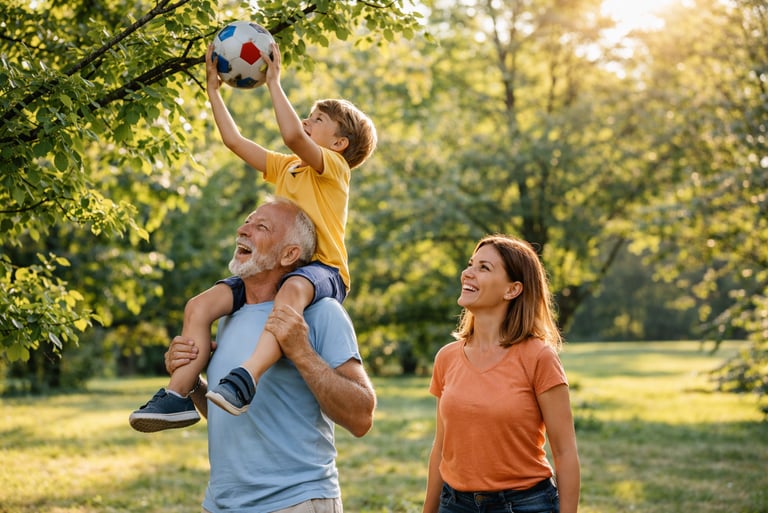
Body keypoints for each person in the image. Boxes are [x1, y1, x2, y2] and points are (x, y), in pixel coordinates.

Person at [129, 39, 377, 430]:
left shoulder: (333, 168)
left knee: (293, 288)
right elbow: (234, 141)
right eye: (308, 116)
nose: (306, 122)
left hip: (322, 269)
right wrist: (213, 91)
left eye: (316, 120)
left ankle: (247, 377)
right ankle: (177, 394)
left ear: (338, 143)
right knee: (200, 305)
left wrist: (273, 81)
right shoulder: (288, 167)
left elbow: (292, 135)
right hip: (280, 266)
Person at [165, 197, 376, 512]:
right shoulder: (227, 316)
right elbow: (237, 416)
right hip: (221, 504)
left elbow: (362, 418)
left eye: (261, 227)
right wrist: (193, 380)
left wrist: (301, 351)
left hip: (296, 501)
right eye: (247, 222)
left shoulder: (322, 312)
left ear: (289, 254)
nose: (243, 230)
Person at [422, 235, 580, 513]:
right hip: (455, 505)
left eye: (484, 267)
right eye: (470, 264)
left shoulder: (539, 357)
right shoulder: (446, 358)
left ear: (512, 289)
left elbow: (565, 452)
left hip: (524, 505)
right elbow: (441, 447)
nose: (467, 273)